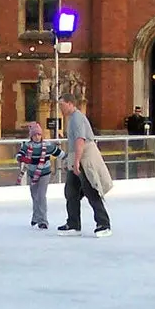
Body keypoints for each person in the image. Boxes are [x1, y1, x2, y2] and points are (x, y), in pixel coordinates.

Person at [56, 93, 111, 237]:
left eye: (61, 105)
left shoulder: (77, 118)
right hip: (76, 157)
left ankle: (103, 224)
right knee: (71, 191)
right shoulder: (71, 119)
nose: (60, 108)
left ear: (70, 103)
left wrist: (76, 162)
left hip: (83, 158)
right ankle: (73, 223)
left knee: (90, 190)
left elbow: (80, 140)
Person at [16, 121, 61, 229]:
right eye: (35, 135)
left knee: (41, 196)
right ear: (31, 136)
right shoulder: (27, 146)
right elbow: (19, 154)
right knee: (34, 196)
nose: (37, 137)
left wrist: (71, 161)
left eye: (39, 134)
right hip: (32, 174)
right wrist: (21, 158)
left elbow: (60, 153)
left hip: (45, 173)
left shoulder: (47, 146)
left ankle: (43, 220)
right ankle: (35, 216)